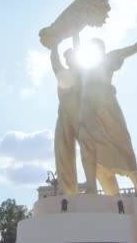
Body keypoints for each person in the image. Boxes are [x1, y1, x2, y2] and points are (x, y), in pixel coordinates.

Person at [78, 21, 137, 199]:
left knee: (121, 138)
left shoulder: (111, 57)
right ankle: (100, 187)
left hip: (107, 101)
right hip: (89, 105)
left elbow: (135, 47)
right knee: (90, 142)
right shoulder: (84, 67)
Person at [50, 40, 81, 195]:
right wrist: (54, 44)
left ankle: (94, 186)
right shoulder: (63, 73)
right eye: (67, 58)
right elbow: (55, 61)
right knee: (62, 149)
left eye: (72, 57)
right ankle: (68, 188)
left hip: (83, 115)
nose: (69, 60)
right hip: (64, 114)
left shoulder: (85, 74)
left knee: (91, 149)